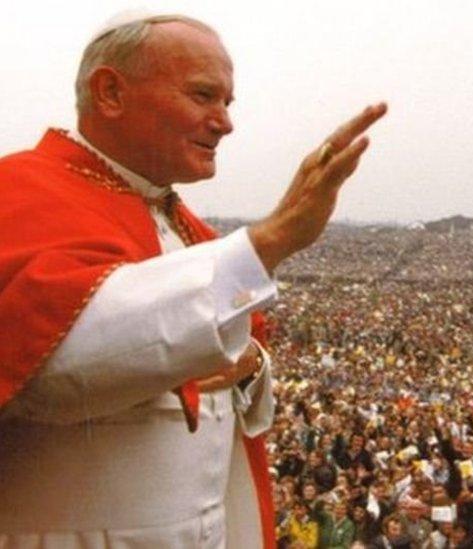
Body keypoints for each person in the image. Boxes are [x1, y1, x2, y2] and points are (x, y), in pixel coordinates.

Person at [0, 11, 386, 548]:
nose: (225, 122)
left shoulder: (188, 228)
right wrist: (271, 240)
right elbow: (53, 366)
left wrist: (251, 364)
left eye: (228, 103)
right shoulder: (15, 192)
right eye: (204, 96)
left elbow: (224, 363)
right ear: (110, 92)